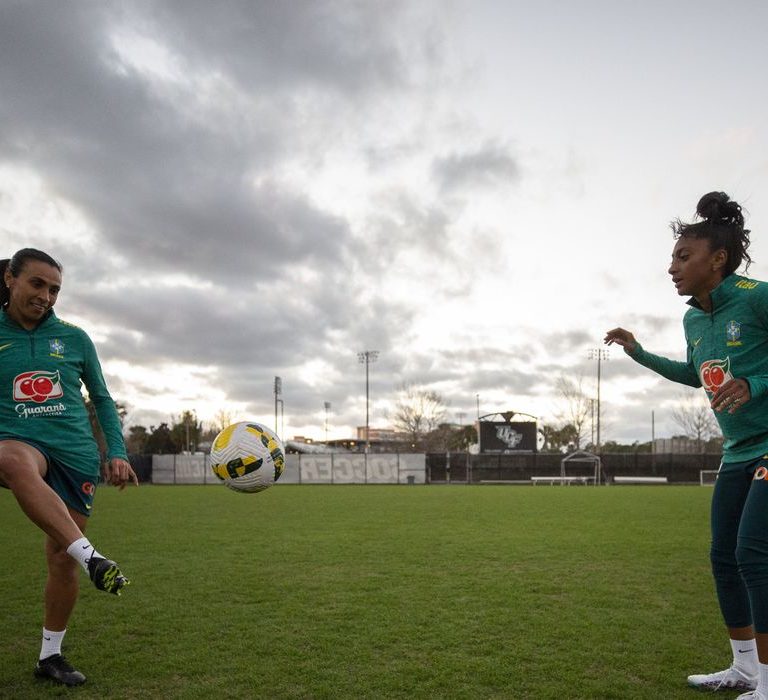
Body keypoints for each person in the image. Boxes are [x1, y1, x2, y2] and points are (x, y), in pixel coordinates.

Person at [605, 192, 768, 699]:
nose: (672, 267)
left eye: (683, 257)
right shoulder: (694, 319)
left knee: (752, 554)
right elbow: (694, 375)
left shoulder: (758, 297)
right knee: (722, 556)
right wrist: (637, 352)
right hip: (736, 450)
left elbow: (753, 378)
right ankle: (744, 669)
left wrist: (756, 384)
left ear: (716, 259)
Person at [0, 248, 137, 687]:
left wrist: (116, 451)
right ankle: (93, 558)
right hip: (18, 442)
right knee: (11, 458)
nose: (46, 296)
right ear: (10, 279)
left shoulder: (75, 338)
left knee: (60, 559)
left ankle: (50, 656)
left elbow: (101, 397)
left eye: (55, 289)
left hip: (75, 454)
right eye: (37, 284)